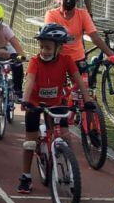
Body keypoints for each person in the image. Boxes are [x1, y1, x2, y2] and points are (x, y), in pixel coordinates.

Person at [17, 23, 95, 194]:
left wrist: (88, 100)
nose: (44, 50)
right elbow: (30, 81)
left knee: (65, 136)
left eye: (48, 47)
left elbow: (78, 80)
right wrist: (25, 100)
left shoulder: (66, 60)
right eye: (42, 46)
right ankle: (26, 176)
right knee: (30, 142)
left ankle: (71, 172)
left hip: (57, 102)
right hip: (35, 104)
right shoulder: (35, 61)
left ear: (59, 48)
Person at [44, 0, 114, 75]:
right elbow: (51, 38)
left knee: (82, 87)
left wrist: (110, 54)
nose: (69, 0)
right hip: (57, 58)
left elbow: (94, 37)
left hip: (78, 58)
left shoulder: (82, 14)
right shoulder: (51, 14)